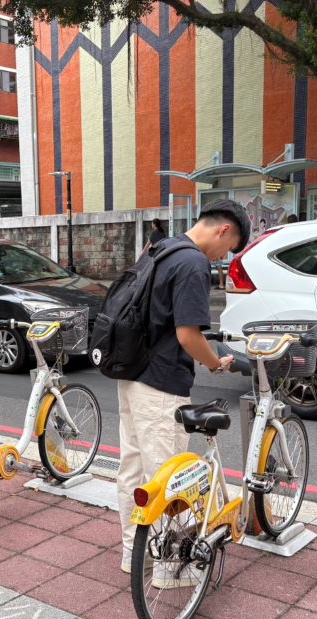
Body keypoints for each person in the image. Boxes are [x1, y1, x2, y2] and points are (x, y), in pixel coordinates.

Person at [117, 199, 250, 575]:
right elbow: (188, 335)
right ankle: (166, 569)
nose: (225, 256)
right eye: (230, 247)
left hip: (131, 375)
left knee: (134, 469)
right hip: (160, 384)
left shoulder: (160, 248)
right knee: (166, 476)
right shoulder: (193, 262)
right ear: (224, 230)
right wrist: (214, 362)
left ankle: (134, 555)